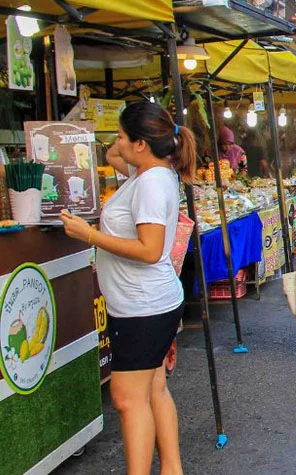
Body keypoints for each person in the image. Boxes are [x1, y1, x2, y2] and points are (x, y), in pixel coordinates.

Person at [59, 101, 194, 475]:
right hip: (148, 303)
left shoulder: (150, 182)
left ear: (141, 143)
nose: (116, 143)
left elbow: (150, 250)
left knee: (126, 398)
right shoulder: (150, 171)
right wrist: (126, 135)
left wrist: (90, 235)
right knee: (153, 390)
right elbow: (112, 155)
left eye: (122, 136)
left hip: (143, 307)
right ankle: (172, 469)